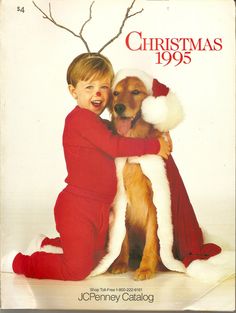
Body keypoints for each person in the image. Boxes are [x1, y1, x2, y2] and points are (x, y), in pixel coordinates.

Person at [4, 53, 170, 280]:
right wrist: (154, 146)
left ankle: (47, 243)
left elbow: (125, 132)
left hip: (100, 210)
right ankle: (18, 261)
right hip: (78, 208)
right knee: (77, 270)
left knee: (100, 256)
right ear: (73, 91)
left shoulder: (98, 123)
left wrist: (159, 127)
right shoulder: (79, 120)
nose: (97, 93)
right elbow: (114, 146)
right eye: (89, 87)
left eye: (103, 87)